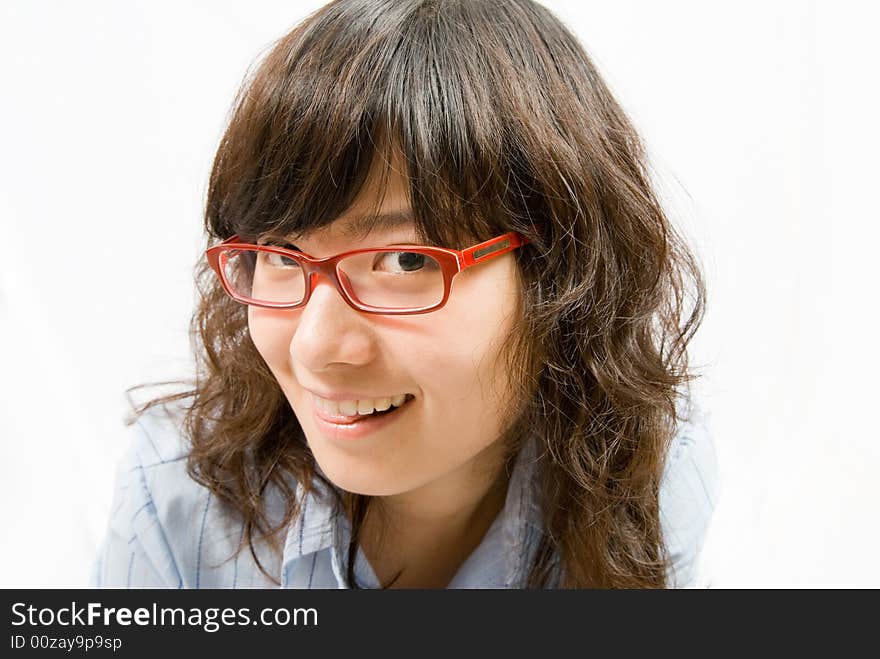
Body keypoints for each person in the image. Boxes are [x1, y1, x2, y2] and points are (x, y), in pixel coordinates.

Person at [91, 0, 718, 589]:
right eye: (277, 257)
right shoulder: (179, 492)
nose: (315, 347)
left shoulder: (646, 475)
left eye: (404, 259)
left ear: (560, 273)